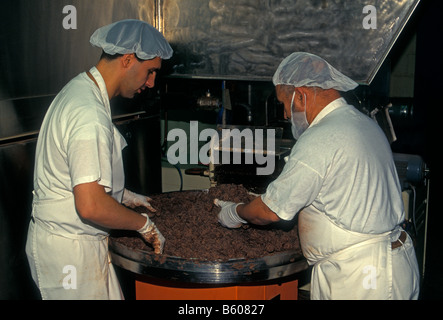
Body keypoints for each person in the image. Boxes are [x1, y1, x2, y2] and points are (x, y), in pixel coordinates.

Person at [215, 52, 420, 300]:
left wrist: (234, 212)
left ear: (300, 96)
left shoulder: (321, 137)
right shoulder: (363, 123)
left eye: (284, 104)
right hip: (393, 263)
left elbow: (270, 211)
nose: (286, 115)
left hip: (362, 277)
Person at [25, 19, 173, 300]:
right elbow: (91, 206)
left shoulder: (81, 90)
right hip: (70, 254)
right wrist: (144, 225)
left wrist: (122, 195)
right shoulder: (88, 113)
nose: (152, 83)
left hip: (76, 247)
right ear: (128, 59)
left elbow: (75, 175)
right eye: (150, 71)